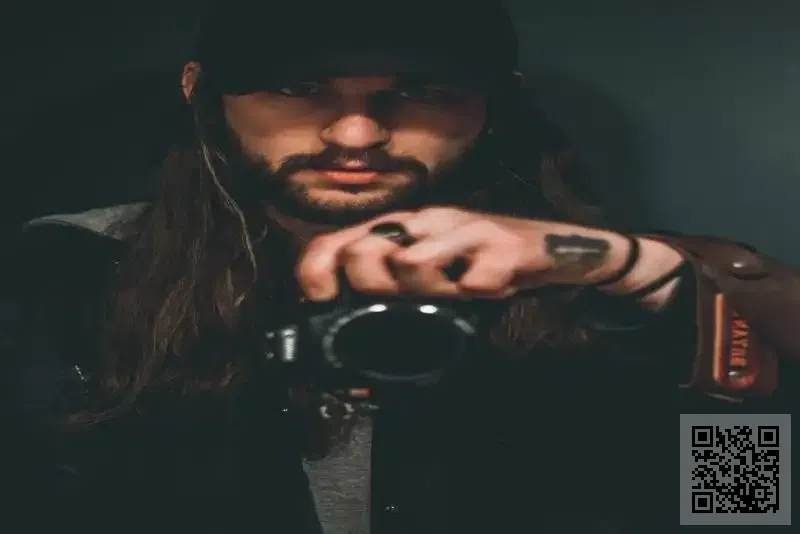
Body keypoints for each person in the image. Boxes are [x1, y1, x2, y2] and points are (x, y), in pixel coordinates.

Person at [2, 0, 797, 531]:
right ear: (201, 92)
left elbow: (746, 503)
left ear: (497, 104)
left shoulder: (616, 282)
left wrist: (635, 276)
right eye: (300, 87)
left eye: (420, 92)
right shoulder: (74, 278)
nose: (355, 134)